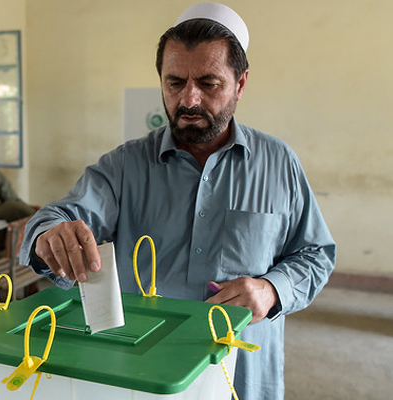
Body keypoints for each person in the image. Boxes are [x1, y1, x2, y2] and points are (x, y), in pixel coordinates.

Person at [19, 3, 336, 400]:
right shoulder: (125, 166)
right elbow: (61, 214)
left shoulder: (278, 163)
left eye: (208, 83)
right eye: (174, 83)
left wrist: (272, 290)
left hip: (241, 375)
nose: (189, 99)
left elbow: (315, 252)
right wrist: (49, 234)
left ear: (240, 84)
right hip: (143, 373)